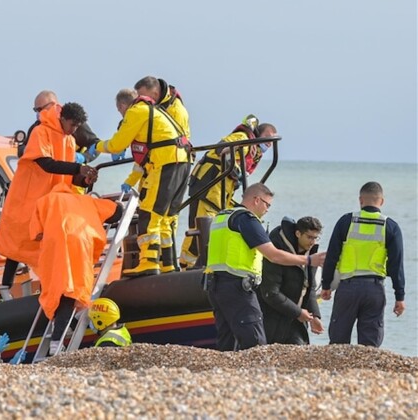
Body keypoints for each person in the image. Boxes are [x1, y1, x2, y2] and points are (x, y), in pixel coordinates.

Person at [205, 183, 326, 351]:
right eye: (267, 204)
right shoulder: (247, 220)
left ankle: (225, 376)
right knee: (255, 343)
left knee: (228, 340)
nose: (268, 209)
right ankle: (254, 376)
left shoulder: (222, 216)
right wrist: (308, 260)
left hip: (215, 286)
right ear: (256, 200)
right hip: (238, 287)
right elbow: (273, 255)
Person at [90, 75, 191, 276]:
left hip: (165, 162)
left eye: (120, 111)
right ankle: (168, 264)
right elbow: (142, 158)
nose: (121, 116)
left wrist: (98, 146)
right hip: (182, 162)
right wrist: (130, 181)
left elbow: (117, 144)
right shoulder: (157, 112)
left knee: (148, 213)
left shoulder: (137, 111)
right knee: (164, 217)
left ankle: (149, 262)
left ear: (123, 106)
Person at [0, 102, 97, 296]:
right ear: (63, 119)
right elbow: (46, 164)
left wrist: (84, 179)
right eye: (72, 125)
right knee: (18, 242)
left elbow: (66, 174)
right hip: (28, 196)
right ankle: (5, 289)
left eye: (77, 126)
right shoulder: (41, 132)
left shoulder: (69, 140)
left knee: (49, 244)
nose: (74, 130)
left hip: (52, 200)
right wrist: (77, 168)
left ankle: (50, 288)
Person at [30, 183, 122, 355]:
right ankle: (58, 341)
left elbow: (35, 233)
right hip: (80, 246)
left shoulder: (44, 201)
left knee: (59, 290)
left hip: (54, 250)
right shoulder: (86, 200)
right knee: (74, 290)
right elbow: (115, 212)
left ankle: (68, 326)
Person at [179, 116, 278, 268]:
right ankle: (187, 266)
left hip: (220, 194)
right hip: (208, 188)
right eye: (266, 138)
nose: (268, 143)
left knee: (212, 229)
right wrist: (235, 168)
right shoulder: (242, 139)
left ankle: (204, 264)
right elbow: (222, 149)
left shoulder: (253, 153)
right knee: (199, 229)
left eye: (271, 142)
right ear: (257, 134)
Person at [320, 182, 406, 347]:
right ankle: (367, 372)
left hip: (347, 288)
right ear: (382, 201)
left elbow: (332, 256)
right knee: (370, 346)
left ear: (360, 200)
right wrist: (399, 297)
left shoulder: (346, 221)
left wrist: (326, 285)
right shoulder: (390, 226)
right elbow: (396, 265)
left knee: (338, 342)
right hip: (374, 289)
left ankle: (336, 371)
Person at [257, 216, 324, 345]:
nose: (313, 242)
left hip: (297, 320)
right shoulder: (277, 252)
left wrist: (315, 316)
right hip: (272, 319)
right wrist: (298, 312)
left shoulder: (311, 255)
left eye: (316, 238)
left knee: (300, 355)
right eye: (309, 237)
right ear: (298, 233)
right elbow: (270, 293)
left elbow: (309, 288)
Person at [20, 90, 100, 163]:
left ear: (54, 105)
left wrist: (84, 157)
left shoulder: (73, 122)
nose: (38, 113)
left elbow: (96, 144)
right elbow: (22, 148)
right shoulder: (37, 127)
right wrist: (28, 151)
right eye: (36, 110)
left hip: (70, 173)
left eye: (40, 109)